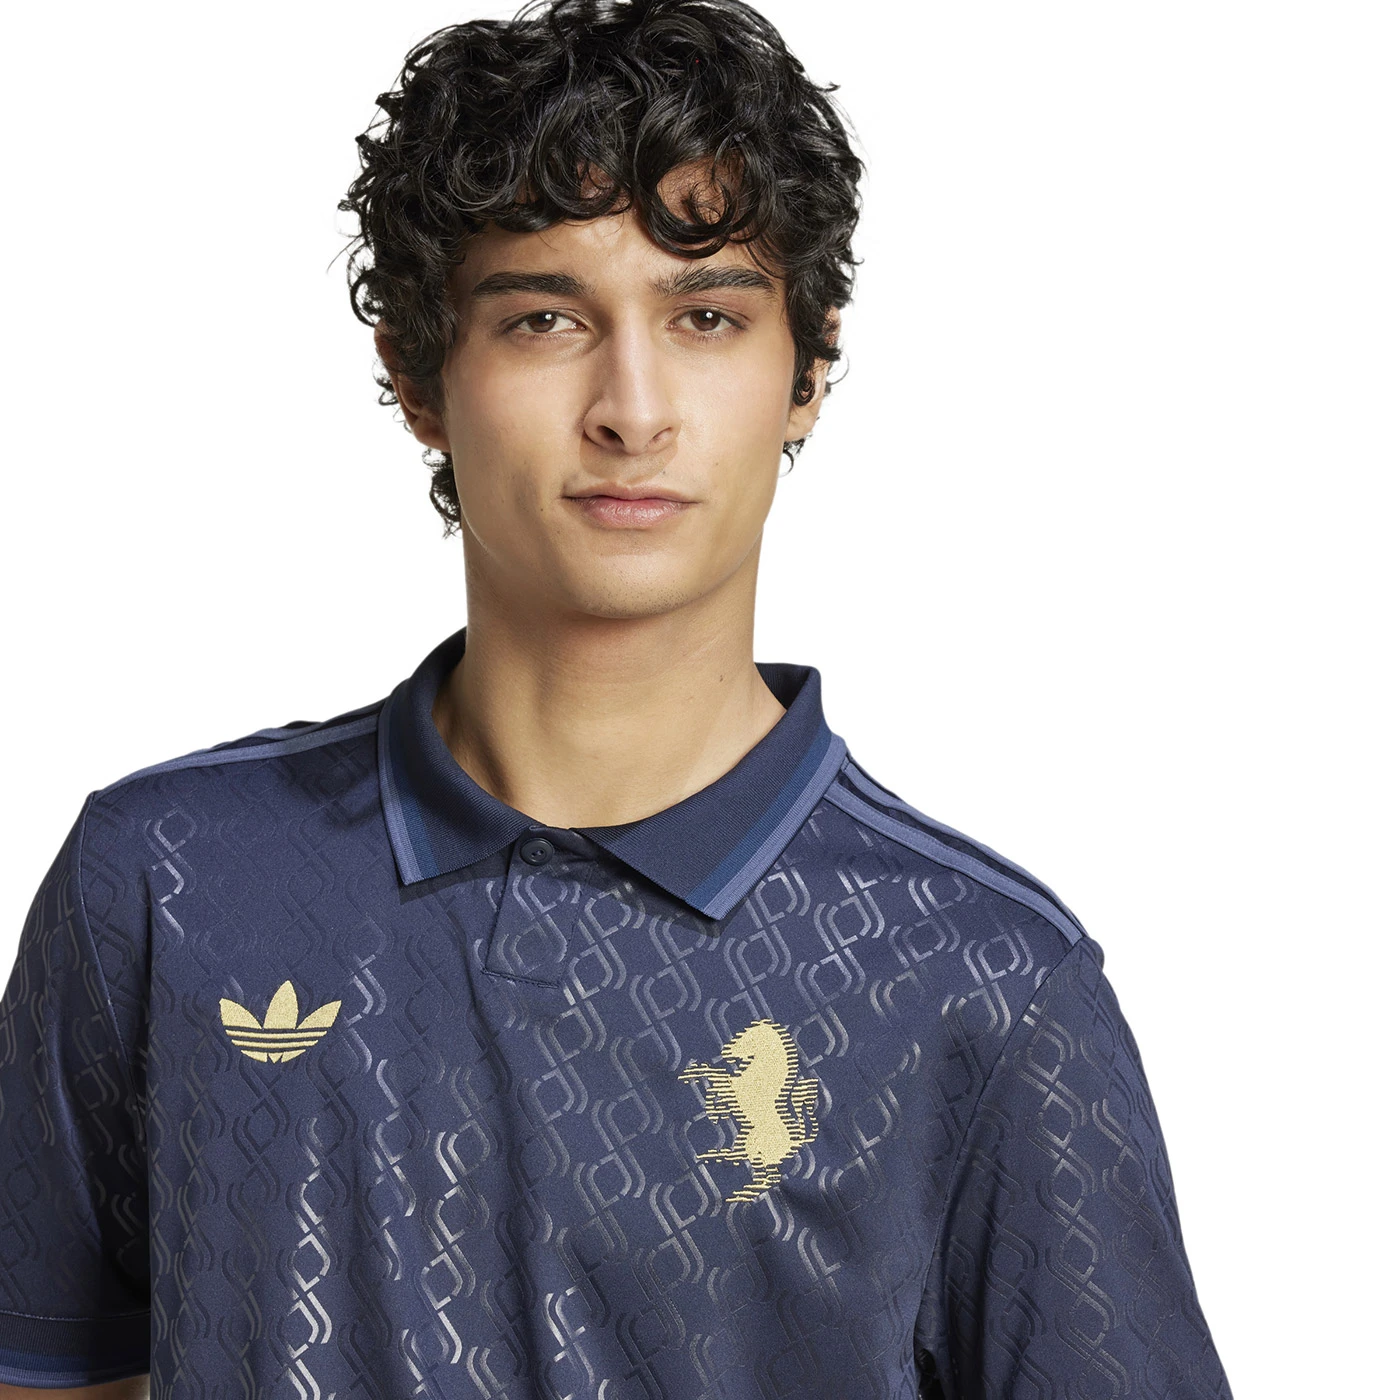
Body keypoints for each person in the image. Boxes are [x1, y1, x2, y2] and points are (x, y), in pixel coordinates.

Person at [0, 0, 1234, 1395]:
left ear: (808, 370)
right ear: (417, 373)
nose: (632, 410)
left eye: (706, 316)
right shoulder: (166, 881)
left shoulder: (986, 985)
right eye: (545, 318)